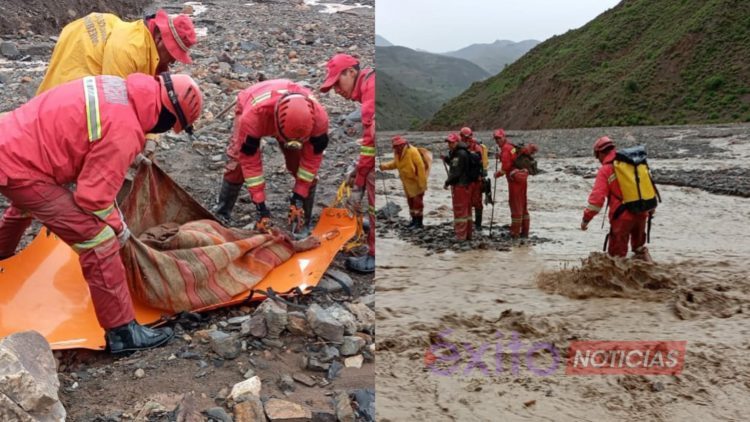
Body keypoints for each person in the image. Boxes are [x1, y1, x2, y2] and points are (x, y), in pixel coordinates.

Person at [0, 72, 203, 353]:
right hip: (21, 167)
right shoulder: (126, 127)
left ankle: (2, 257)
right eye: (172, 126)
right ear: (169, 116)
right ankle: (123, 333)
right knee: (99, 240)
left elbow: (85, 138)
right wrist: (119, 229)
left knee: (25, 204)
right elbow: (92, 198)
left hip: (12, 140)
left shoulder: (116, 86)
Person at [213, 79, 330, 236]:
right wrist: (260, 203)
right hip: (252, 103)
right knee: (238, 162)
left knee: (299, 162)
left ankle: (303, 220)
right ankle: (222, 213)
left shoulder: (319, 118)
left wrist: (299, 193)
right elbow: (250, 161)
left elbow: (312, 159)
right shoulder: (253, 117)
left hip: (290, 121)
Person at [37, 10, 197, 94]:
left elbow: (150, 94)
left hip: (86, 33)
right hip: (81, 50)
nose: (173, 62)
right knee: (65, 111)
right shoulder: (129, 50)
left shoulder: (148, 44)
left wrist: (150, 139)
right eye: (173, 55)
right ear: (160, 39)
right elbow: (114, 103)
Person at [321, 53, 375, 273]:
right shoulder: (370, 85)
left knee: (372, 189)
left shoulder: (371, 91)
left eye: (337, 83)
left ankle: (374, 255)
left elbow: (371, 144)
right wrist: (357, 168)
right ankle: (373, 226)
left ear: (351, 72)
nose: (337, 90)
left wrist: (359, 183)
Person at [580, 136, 653, 261]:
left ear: (600, 153)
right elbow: (647, 188)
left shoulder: (606, 169)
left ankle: (618, 279)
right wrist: (650, 210)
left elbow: (596, 201)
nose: (598, 160)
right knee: (639, 250)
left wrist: (586, 219)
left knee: (617, 258)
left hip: (622, 217)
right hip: (642, 212)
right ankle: (654, 275)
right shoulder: (633, 163)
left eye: (597, 157)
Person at [379, 135, 428, 229]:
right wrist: (384, 166)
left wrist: (422, 185)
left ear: (404, 144)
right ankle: (413, 221)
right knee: (410, 203)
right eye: (396, 146)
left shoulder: (412, 151)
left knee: (417, 203)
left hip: (416, 181)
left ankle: (419, 223)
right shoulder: (397, 153)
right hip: (406, 182)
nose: (398, 147)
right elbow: (395, 164)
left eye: (400, 145)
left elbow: (420, 167)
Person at [493, 128, 530, 239]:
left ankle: (515, 233)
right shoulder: (511, 147)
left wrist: (497, 174)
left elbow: (505, 167)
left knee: (515, 205)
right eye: (496, 138)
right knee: (523, 205)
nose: (497, 140)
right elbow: (512, 159)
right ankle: (524, 232)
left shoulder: (505, 149)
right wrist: (500, 157)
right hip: (522, 179)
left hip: (514, 181)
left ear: (504, 137)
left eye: (499, 138)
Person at [443, 133, 474, 241]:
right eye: (448, 142)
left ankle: (460, 236)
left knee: (460, 212)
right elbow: (456, 166)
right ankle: (468, 235)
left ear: (456, 142)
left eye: (451, 142)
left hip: (460, 186)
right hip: (467, 185)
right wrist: (447, 159)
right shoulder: (463, 152)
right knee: (467, 212)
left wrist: (447, 182)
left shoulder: (459, 154)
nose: (449, 145)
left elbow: (455, 172)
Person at [459, 127, 489, 231]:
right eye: (464, 137)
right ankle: (469, 224)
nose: (466, 139)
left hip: (476, 179)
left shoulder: (477, 148)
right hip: (466, 179)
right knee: (467, 202)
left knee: (477, 202)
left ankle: (478, 225)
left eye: (468, 137)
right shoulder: (460, 147)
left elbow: (478, 163)